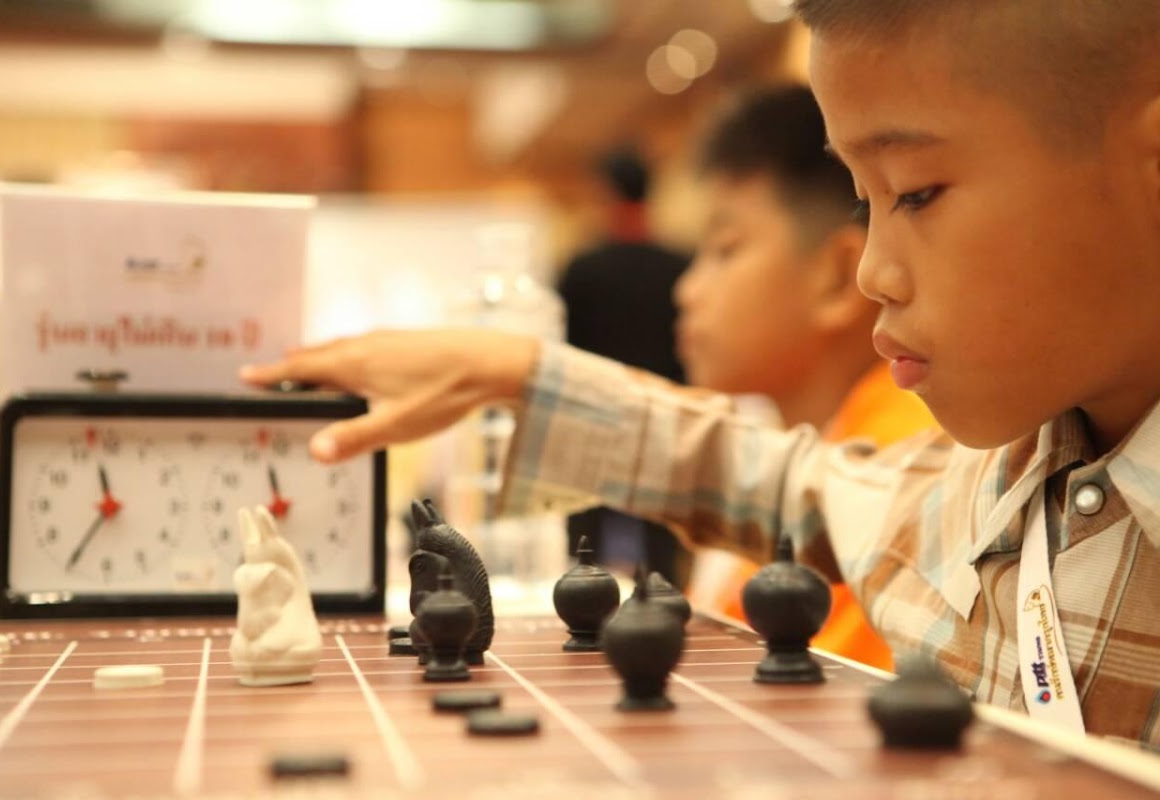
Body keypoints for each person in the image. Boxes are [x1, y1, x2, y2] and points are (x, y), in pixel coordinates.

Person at [241, 0, 1160, 744]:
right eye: (866, 202)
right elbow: (776, 479)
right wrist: (516, 370)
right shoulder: (989, 489)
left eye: (916, 193)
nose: (875, 271)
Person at [677, 84, 937, 670]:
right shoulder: (784, 447)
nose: (687, 290)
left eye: (725, 249)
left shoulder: (899, 456)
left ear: (838, 275)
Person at [557, 145, 692, 587]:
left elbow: (567, 352)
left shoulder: (581, 270)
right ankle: (667, 603)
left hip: (594, 415)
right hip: (664, 414)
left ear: (606, 194)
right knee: (661, 542)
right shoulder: (678, 265)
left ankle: (582, 603)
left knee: (585, 541)